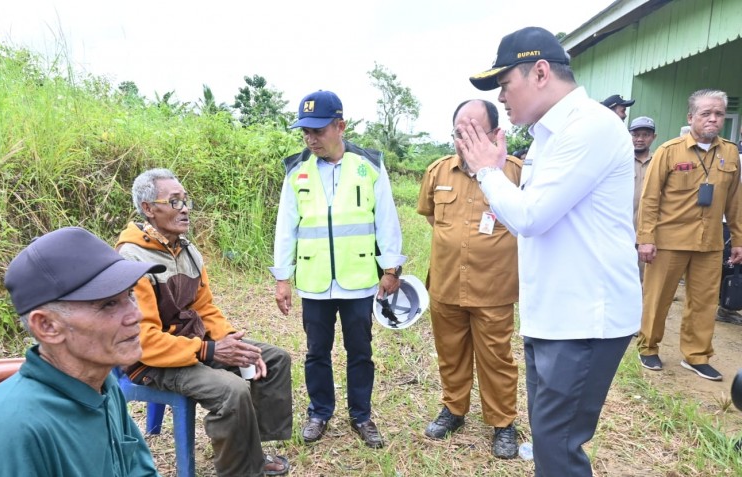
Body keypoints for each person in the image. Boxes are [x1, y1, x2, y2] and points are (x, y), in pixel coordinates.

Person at [464, 26, 641, 476]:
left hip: (584, 317)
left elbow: (529, 217)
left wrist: (487, 172)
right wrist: (500, 174)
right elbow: (528, 216)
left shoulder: (590, 127)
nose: (502, 98)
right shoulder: (549, 136)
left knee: (558, 445)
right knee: (548, 439)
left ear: (540, 72)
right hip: (556, 313)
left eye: (506, 85)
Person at [0, 227, 164, 476]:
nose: (136, 315)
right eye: (109, 304)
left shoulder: (103, 386)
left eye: (130, 295)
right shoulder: (12, 429)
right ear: (47, 326)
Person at [115, 169, 292, 477]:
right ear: (148, 209)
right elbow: (144, 342)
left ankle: (251, 451)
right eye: (173, 201)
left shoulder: (187, 250)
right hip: (154, 361)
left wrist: (230, 340)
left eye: (185, 201)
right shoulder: (132, 258)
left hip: (192, 345)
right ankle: (240, 471)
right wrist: (211, 351)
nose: (184, 208)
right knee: (232, 391)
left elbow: (204, 307)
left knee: (274, 359)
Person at [270, 90, 405, 449]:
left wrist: (391, 268)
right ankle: (319, 412)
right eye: (305, 132)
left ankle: (361, 415)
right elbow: (287, 226)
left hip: (359, 278)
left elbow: (386, 219)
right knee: (317, 351)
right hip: (315, 281)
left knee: (360, 351)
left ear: (340, 126)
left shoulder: (369, 166)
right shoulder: (296, 170)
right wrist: (282, 277)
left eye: (318, 130)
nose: (310, 138)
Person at [417, 99, 522, 458]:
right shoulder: (438, 172)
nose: (466, 139)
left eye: (476, 131)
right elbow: (432, 218)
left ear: (496, 134)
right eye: (460, 132)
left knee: (497, 357)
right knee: (450, 353)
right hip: (446, 285)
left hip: (493, 288)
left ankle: (503, 423)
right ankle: (454, 410)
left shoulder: (517, 173)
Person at [636, 89, 742, 381]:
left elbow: (735, 200)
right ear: (691, 117)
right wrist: (646, 238)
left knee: (705, 302)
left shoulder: (730, 153)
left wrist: (738, 239)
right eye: (706, 113)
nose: (713, 119)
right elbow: (650, 198)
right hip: (669, 241)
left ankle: (696, 356)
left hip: (710, 242)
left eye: (719, 114)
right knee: (658, 298)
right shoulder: (670, 151)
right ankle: (648, 347)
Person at [630, 116, 657, 281]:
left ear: (653, 137)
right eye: (636, 134)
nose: (640, 139)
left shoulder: (659, 161)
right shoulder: (620, 160)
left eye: (645, 134)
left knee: (646, 281)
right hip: (621, 232)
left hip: (648, 235)